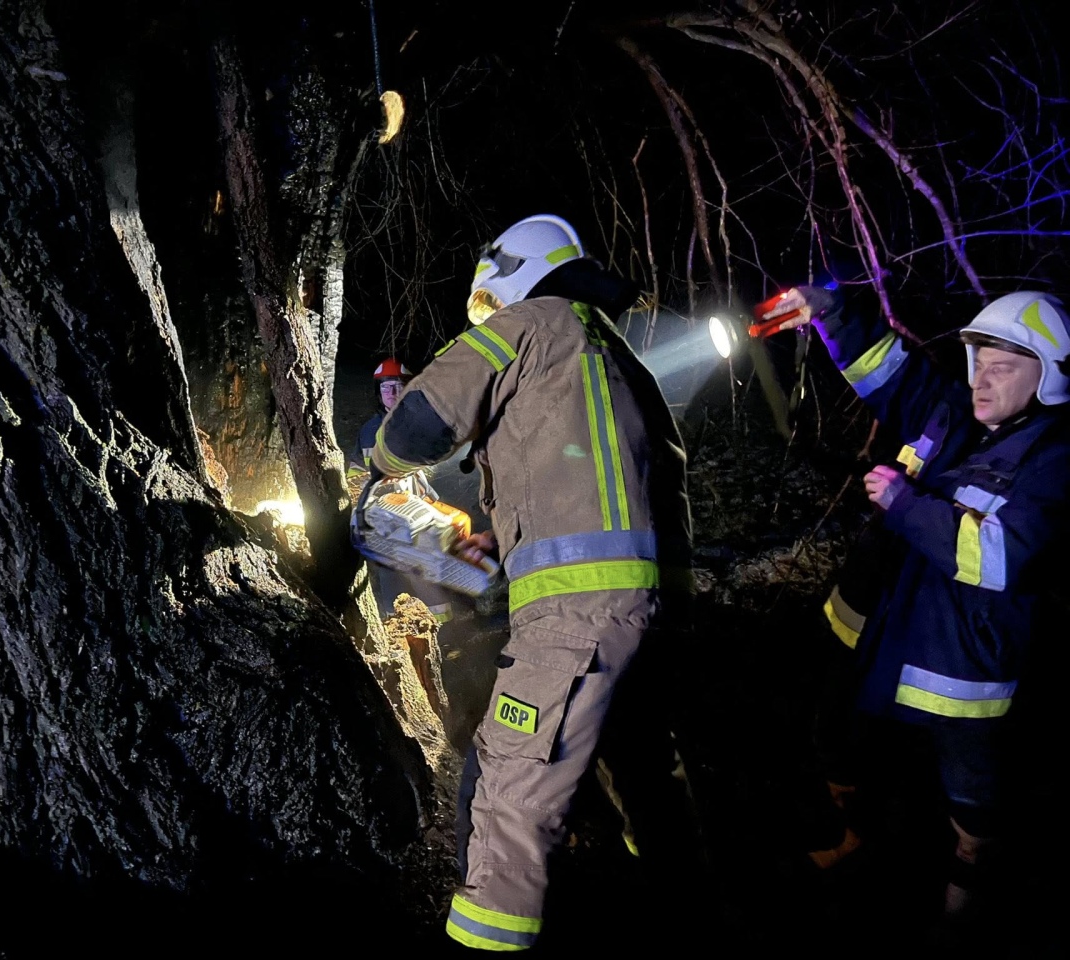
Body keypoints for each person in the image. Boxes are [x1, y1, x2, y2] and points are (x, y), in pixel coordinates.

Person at [371, 213, 693, 951]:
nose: (488, 318)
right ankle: (684, 919)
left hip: (579, 619)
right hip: (656, 616)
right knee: (645, 777)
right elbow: (596, 487)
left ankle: (482, 948)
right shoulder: (608, 352)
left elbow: (413, 427)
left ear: (512, 278)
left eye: (490, 303)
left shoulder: (532, 322)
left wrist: (377, 473)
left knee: (503, 789)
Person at [766, 286, 1070, 928]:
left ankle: (965, 915)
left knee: (972, 809)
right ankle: (861, 846)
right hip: (872, 634)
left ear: (1049, 376)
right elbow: (887, 368)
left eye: (1003, 366)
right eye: (978, 362)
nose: (982, 380)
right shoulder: (950, 410)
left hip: (957, 676)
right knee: (838, 745)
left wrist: (906, 505)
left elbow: (1001, 556)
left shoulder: (1054, 459)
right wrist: (831, 312)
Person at [347, 356, 457, 625]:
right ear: (378, 392)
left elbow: (430, 473)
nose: (393, 393)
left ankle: (442, 631)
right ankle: (397, 629)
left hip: (418, 516)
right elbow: (354, 474)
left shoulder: (420, 425)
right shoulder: (370, 431)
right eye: (386, 388)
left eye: (398, 386)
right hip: (385, 519)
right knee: (392, 578)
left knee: (428, 575)